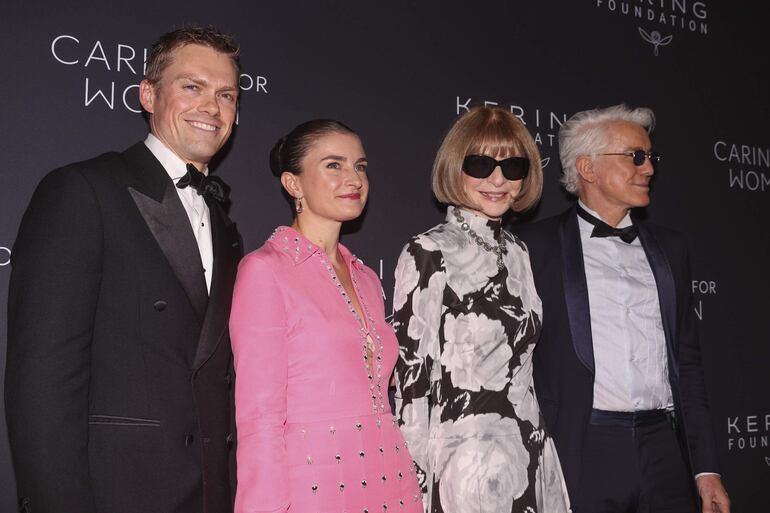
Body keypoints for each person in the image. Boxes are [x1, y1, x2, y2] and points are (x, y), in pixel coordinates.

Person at [6, 27, 242, 513]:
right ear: (148, 95)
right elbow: (42, 378)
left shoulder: (223, 220)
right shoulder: (82, 191)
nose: (212, 107)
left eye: (226, 95)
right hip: (117, 490)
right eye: (191, 87)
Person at [515, 104, 730, 513]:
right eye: (635, 156)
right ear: (588, 168)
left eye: (650, 157)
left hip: (665, 450)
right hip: (583, 450)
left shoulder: (672, 249)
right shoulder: (532, 247)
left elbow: (688, 363)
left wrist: (706, 469)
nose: (648, 168)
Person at [229, 119, 423, 513]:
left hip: (392, 480)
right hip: (315, 487)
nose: (353, 178)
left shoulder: (367, 279)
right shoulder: (266, 270)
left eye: (360, 166)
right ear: (293, 184)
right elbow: (259, 418)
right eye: (333, 165)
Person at [392, 106, 571, 513]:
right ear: (455, 168)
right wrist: (413, 484)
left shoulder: (519, 252)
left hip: (530, 448)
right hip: (465, 459)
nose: (497, 179)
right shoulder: (428, 251)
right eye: (481, 164)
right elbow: (412, 380)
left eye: (512, 166)